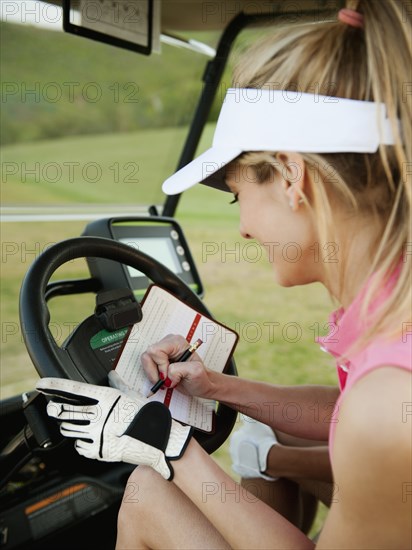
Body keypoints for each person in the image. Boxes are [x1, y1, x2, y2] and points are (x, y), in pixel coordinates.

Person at [37, 1, 411, 547]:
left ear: (290, 176)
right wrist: (218, 387)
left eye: (238, 195)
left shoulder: (386, 407)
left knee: (144, 493)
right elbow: (347, 413)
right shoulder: (392, 324)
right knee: (270, 425)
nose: (242, 228)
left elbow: (373, 421)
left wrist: (169, 447)